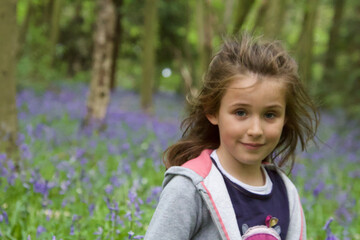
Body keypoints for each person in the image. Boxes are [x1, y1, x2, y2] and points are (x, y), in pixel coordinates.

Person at [144, 33, 319, 240]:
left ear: (285, 119)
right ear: (212, 111)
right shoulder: (189, 188)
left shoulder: (286, 194)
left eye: (270, 115)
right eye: (241, 113)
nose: (255, 130)